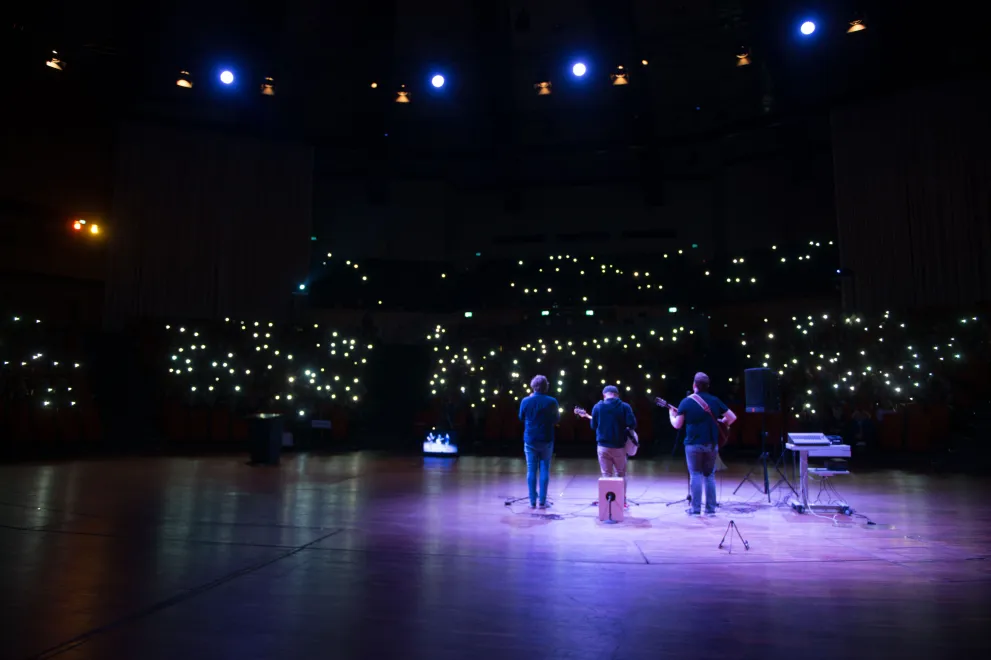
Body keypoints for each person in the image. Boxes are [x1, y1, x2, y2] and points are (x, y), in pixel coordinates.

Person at [668, 372, 737, 515]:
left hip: (693, 444)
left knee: (695, 475)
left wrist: (671, 415)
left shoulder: (686, 402)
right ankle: (711, 510)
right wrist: (722, 422)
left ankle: (695, 509)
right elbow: (732, 418)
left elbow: (677, 425)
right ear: (708, 386)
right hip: (711, 444)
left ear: (694, 385)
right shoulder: (715, 400)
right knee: (709, 476)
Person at [577, 385, 637, 507]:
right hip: (619, 447)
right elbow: (632, 424)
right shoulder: (625, 407)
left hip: (603, 447)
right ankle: (622, 501)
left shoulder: (597, 407)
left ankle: (607, 501)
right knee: (621, 474)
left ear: (604, 395)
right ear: (617, 395)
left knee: (606, 475)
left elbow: (593, 426)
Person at [518, 375, 560, 509]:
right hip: (546, 439)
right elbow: (556, 419)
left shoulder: (525, 401)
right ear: (546, 386)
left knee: (531, 470)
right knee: (544, 469)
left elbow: (521, 417)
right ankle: (542, 501)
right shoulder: (552, 401)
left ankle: (532, 501)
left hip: (530, 439)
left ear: (533, 386)